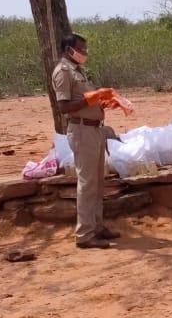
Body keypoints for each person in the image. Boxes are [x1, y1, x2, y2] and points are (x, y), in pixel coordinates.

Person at [51, 33, 121, 249]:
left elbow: (86, 102)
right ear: (68, 50)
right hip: (82, 130)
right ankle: (84, 235)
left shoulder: (78, 72)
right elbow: (63, 107)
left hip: (94, 130)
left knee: (98, 183)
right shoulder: (63, 72)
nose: (84, 53)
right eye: (80, 49)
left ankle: (97, 227)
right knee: (87, 183)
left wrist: (103, 102)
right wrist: (89, 98)